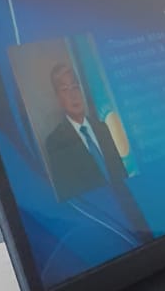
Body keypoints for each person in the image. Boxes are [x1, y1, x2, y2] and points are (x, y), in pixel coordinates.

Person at [43, 61, 129, 200]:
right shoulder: (55, 142)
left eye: (75, 87)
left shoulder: (102, 128)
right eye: (65, 90)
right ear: (58, 98)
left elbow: (121, 173)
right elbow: (70, 196)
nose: (73, 95)